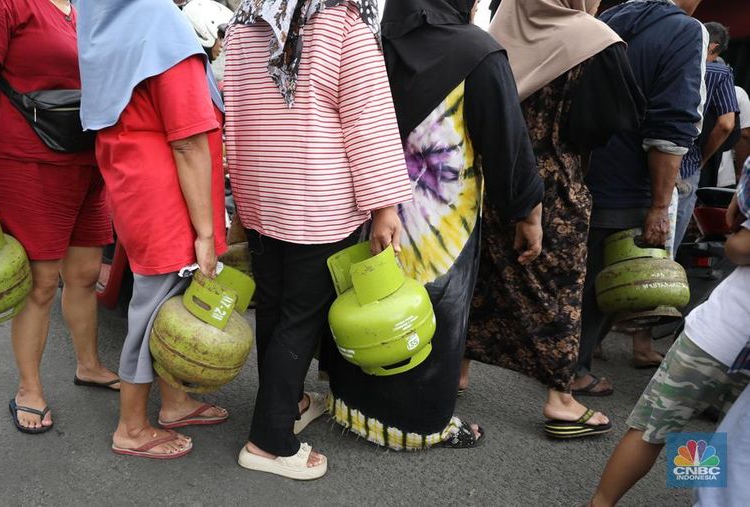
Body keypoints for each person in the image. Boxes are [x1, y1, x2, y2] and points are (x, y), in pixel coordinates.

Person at [322, 0, 543, 452]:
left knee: (365, 297)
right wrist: (527, 211)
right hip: (441, 213)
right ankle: (419, 421)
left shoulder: (371, 43)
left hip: (367, 204)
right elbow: (508, 143)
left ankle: (352, 404)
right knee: (432, 310)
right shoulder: (478, 53)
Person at [225, 0, 412, 479]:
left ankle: (286, 405)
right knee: (299, 318)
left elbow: (237, 111)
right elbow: (366, 120)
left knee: (274, 309)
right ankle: (269, 442)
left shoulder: (248, 19)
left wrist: (241, 192)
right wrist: (384, 205)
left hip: (263, 192)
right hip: (317, 198)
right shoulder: (342, 21)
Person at [464, 0, 644, 439]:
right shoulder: (593, 39)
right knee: (556, 292)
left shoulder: (491, 36)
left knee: (480, 280)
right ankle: (561, 401)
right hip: (553, 184)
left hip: (487, 179)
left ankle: (457, 370)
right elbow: (604, 123)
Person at [0, 0, 119, 435]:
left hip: (88, 162)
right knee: (41, 282)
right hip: (28, 160)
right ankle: (29, 388)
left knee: (84, 274)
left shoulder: (83, 9)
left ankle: (89, 364)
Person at [78, 0, 229, 460]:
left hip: (134, 180)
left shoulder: (103, 22)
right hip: (169, 192)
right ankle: (131, 426)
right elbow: (187, 138)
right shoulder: (159, 20)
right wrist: (205, 231)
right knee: (153, 311)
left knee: (163, 301)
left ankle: (175, 403)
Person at [586, 168, 750, 507]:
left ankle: (599, 504)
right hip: (738, 347)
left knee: (653, 429)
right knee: (718, 439)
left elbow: (740, 245)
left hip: (719, 332)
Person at [576, 0, 707, 395]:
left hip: (584, 172)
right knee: (605, 283)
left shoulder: (610, 18)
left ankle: (566, 362)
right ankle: (572, 373)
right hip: (629, 183)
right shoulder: (685, 31)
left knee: (580, 277)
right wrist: (657, 206)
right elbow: (672, 124)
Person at [673, 21, 738, 249]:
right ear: (713, 48)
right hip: (686, 165)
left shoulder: (668, 59)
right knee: (668, 241)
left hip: (643, 158)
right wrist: (701, 159)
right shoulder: (719, 73)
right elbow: (726, 124)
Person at [717, 85, 750, 186]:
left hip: (683, 170)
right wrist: (741, 173)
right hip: (723, 176)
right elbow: (744, 136)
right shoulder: (736, 92)